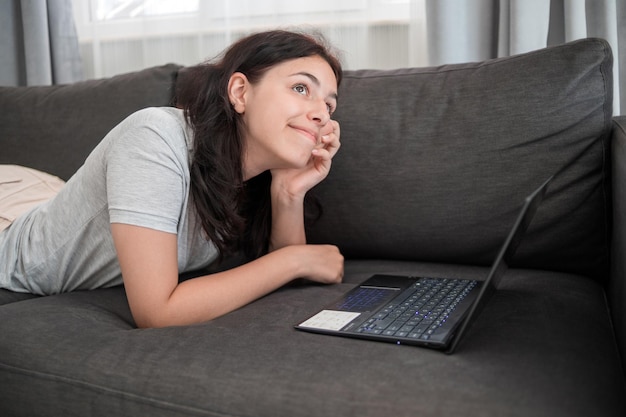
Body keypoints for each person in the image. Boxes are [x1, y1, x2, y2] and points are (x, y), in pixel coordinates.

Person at [0, 29, 345, 328]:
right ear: (240, 92)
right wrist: (294, 260)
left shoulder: (250, 175)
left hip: (46, 200)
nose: (319, 114)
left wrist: (287, 190)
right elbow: (157, 312)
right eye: (301, 88)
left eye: (329, 106)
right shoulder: (154, 136)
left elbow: (282, 274)